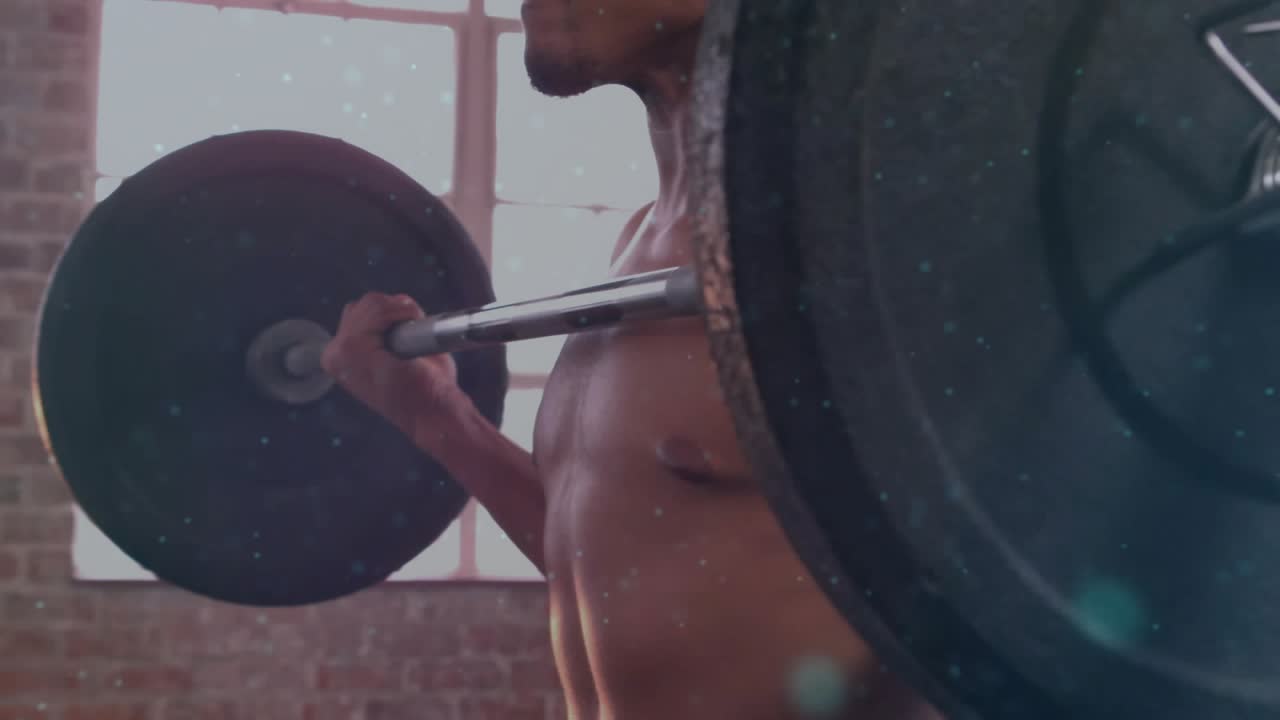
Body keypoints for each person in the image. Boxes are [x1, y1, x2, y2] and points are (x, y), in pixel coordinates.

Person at [323, 1, 943, 718]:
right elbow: (607, 560)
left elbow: (1007, 613)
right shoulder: (639, 246)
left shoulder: (861, 250)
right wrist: (440, 421)